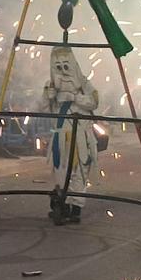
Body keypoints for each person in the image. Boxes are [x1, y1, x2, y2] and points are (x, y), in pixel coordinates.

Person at [37, 46, 100, 223]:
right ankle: (62, 205)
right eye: (58, 67)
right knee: (61, 172)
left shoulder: (84, 84)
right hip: (60, 138)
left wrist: (75, 98)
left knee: (79, 173)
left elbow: (94, 102)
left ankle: (76, 208)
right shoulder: (51, 85)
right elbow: (43, 109)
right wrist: (47, 97)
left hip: (81, 137)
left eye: (66, 66)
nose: (63, 72)